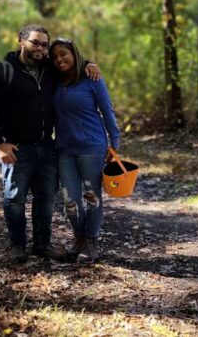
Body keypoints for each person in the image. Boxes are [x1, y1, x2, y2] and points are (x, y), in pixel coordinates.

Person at [0, 25, 100, 264]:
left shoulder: (49, 69)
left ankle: (42, 245)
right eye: (35, 43)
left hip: (46, 146)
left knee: (46, 198)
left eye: (45, 45)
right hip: (17, 148)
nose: (41, 49)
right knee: (15, 199)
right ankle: (17, 246)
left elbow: (70, 63)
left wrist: (89, 64)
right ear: (22, 42)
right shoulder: (2, 72)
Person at [49, 38, 120, 264]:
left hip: (91, 147)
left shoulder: (92, 79)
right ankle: (79, 237)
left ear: (74, 53)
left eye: (64, 53)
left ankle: (90, 241)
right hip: (64, 149)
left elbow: (107, 110)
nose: (59, 59)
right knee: (70, 199)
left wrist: (115, 140)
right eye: (55, 56)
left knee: (92, 197)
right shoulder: (54, 81)